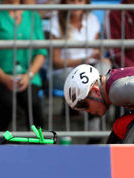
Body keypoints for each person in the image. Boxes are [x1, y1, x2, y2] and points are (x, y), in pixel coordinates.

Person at [0, 0, 47, 134]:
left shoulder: (33, 16)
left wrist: (28, 75)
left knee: (33, 103)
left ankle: (40, 147)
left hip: (28, 75)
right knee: (8, 104)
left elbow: (41, 53)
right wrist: (4, 78)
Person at [50, 0, 111, 131]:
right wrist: (83, 60)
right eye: (72, 0)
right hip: (64, 73)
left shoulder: (92, 19)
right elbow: (56, 62)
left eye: (80, 0)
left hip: (89, 70)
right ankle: (95, 128)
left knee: (105, 69)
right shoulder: (55, 21)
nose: (76, 3)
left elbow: (95, 52)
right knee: (89, 84)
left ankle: (94, 125)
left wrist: (102, 58)